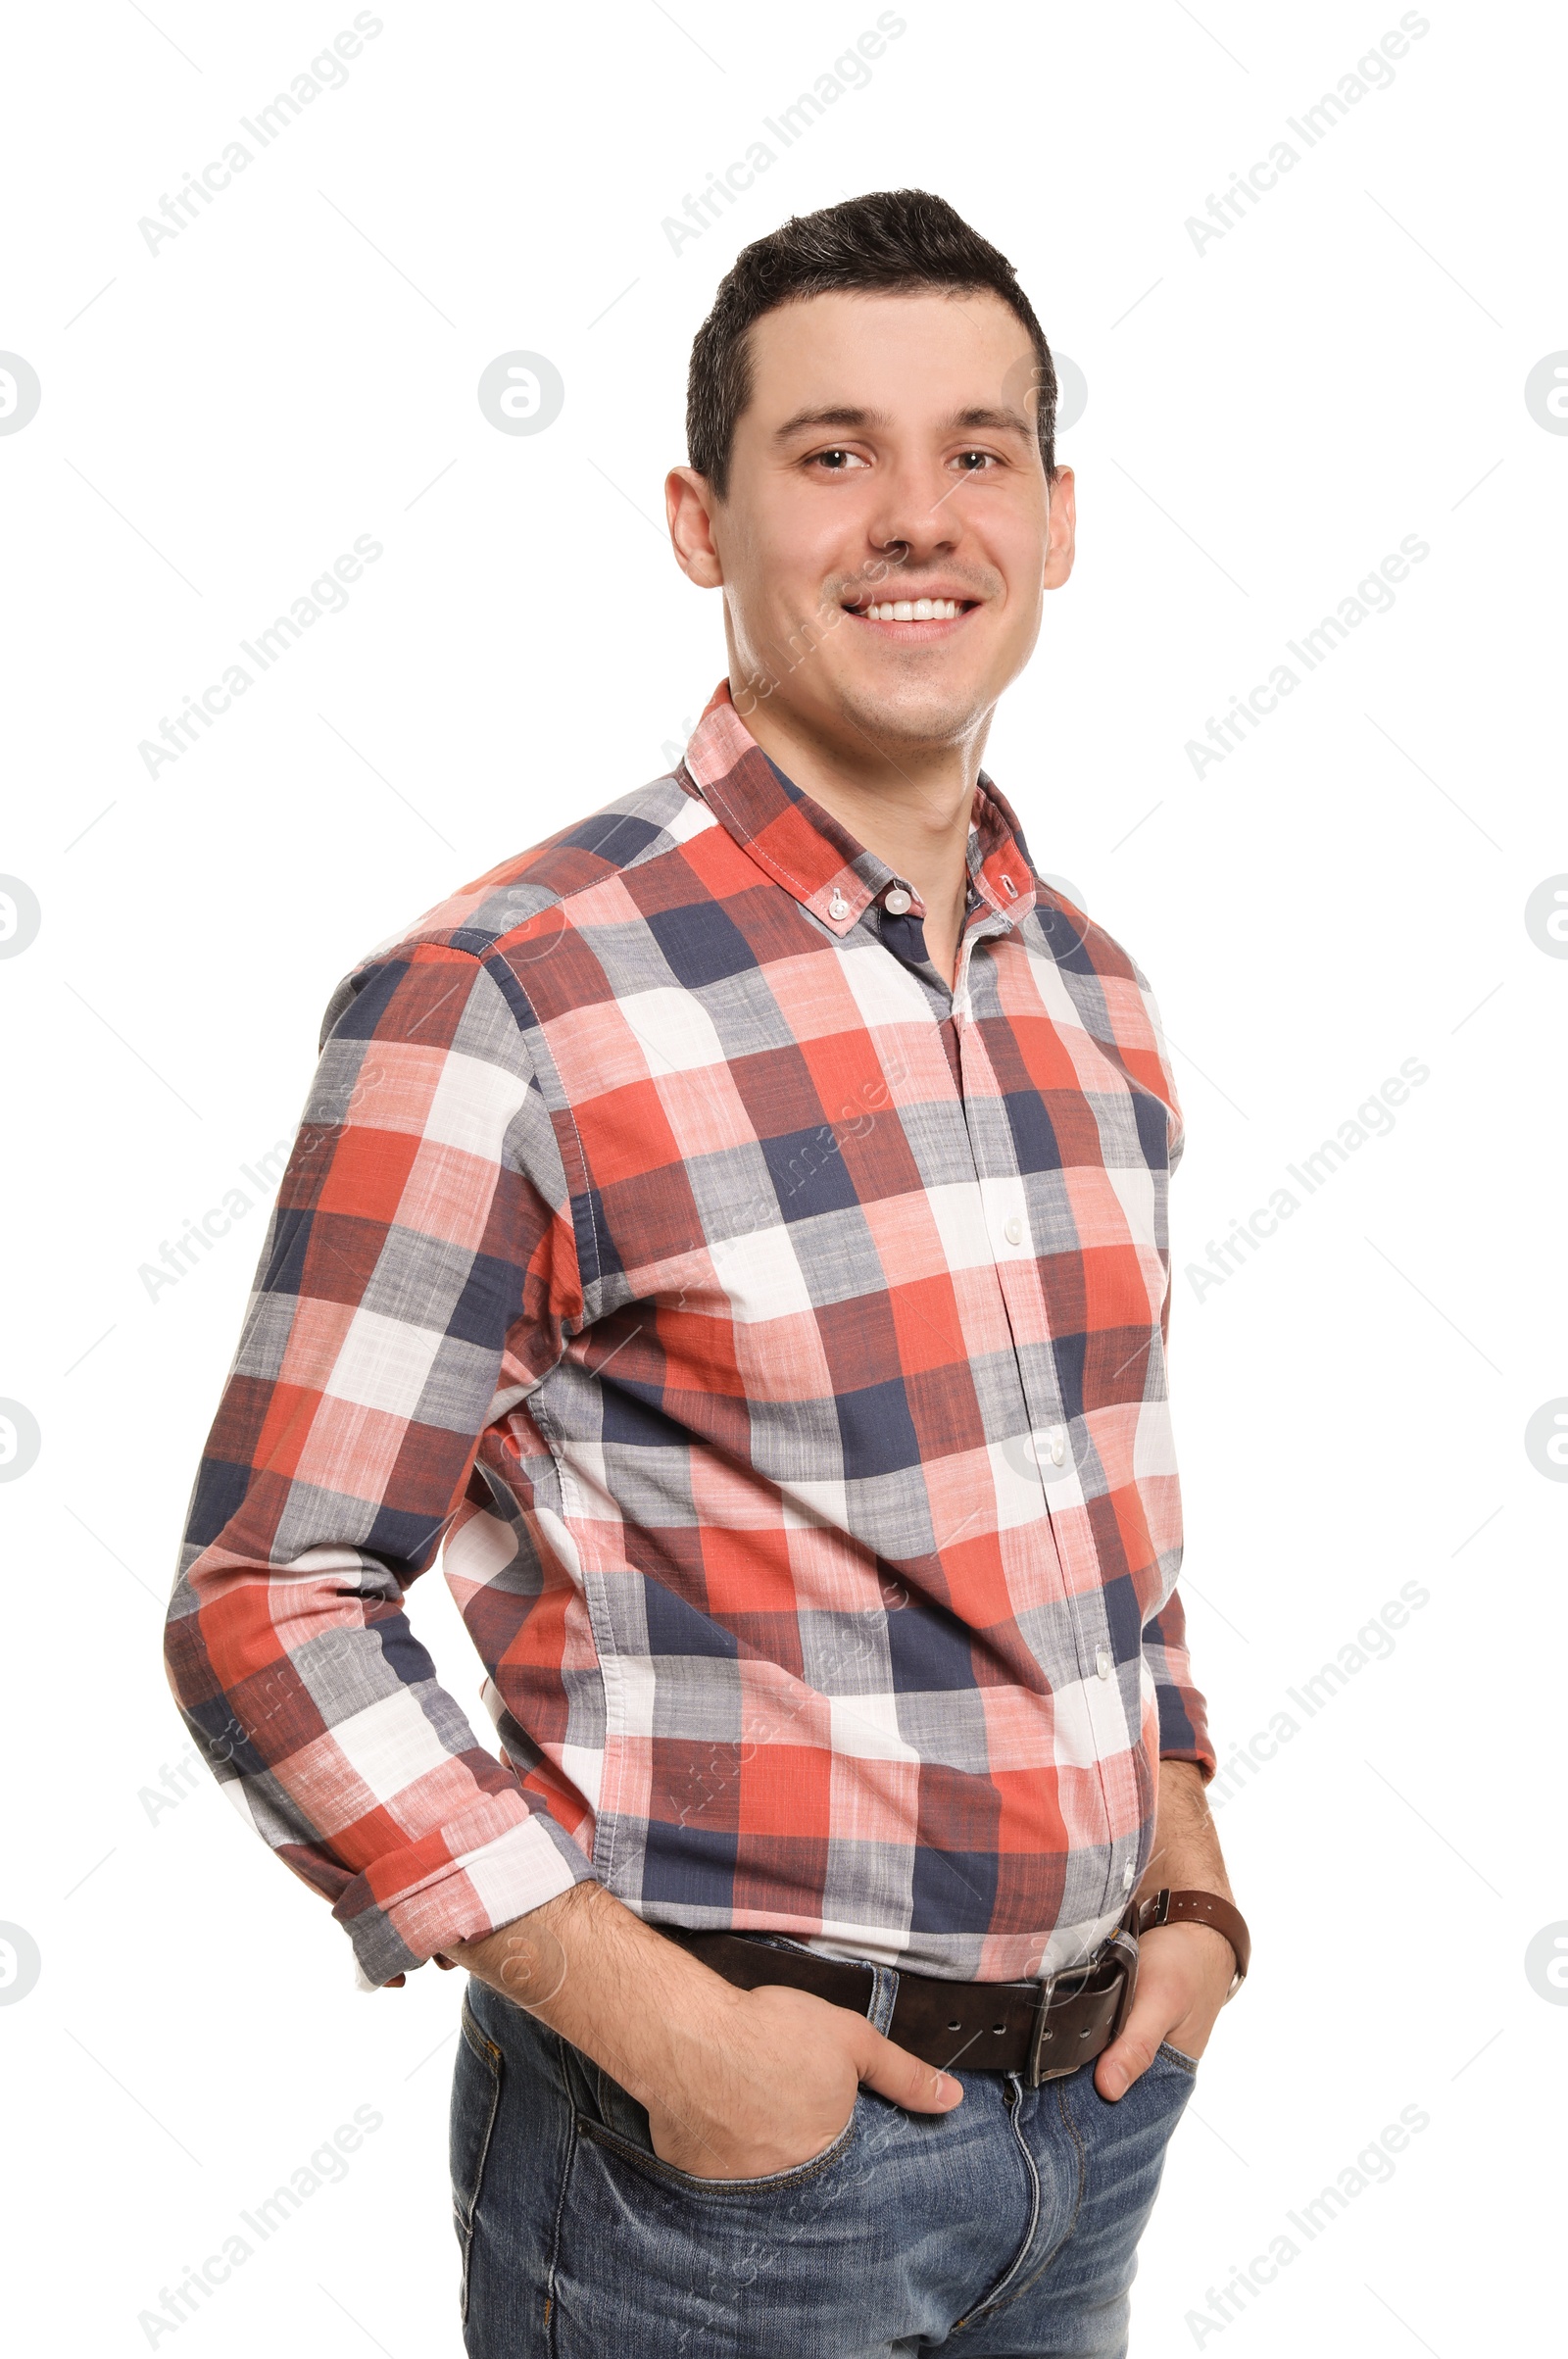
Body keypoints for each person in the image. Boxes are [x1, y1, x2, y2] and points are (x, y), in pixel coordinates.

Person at [164, 187, 1249, 2357]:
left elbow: (1088, 1515)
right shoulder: (507, 996)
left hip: (1093, 2126)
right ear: (698, 516)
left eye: (978, 451)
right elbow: (268, 1597)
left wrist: (1191, 1867)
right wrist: (660, 2031)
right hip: (722, 2182)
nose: (913, 516)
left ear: (1055, 518)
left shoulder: (1090, 994)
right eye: (829, 451)